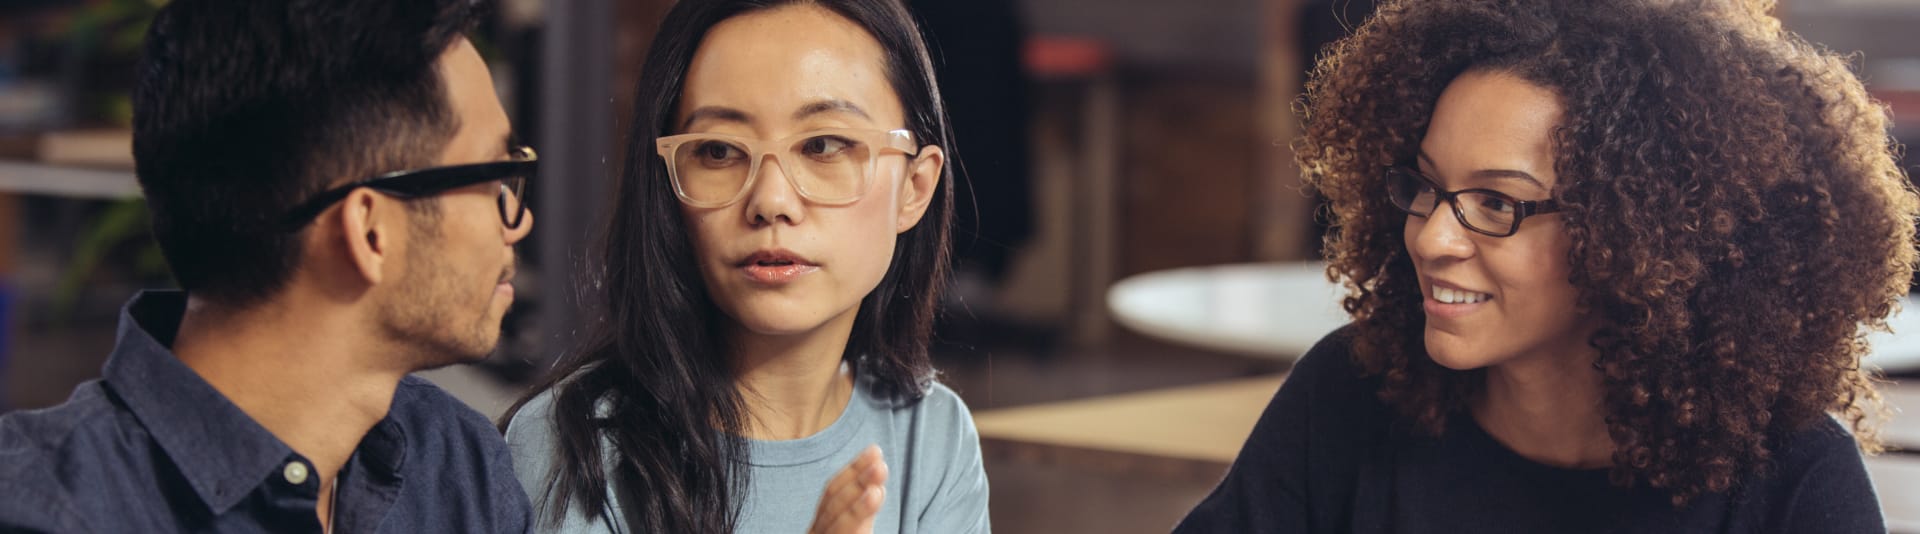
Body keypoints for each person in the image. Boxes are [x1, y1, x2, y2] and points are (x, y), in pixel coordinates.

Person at [1176, 0, 1912, 532]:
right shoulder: (1350, 394)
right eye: (1427, 185)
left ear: (1642, 237)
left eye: (1498, 204)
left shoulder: (1787, 475)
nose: (1433, 238)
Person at [0, 0, 537, 531]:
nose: (518, 221)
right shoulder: (45, 513)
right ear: (371, 230)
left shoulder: (455, 469)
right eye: (493, 178)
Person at [501, 1, 988, 533]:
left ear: (914, 188)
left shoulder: (932, 437)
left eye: (823, 146)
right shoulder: (571, 446)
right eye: (717, 152)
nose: (770, 200)